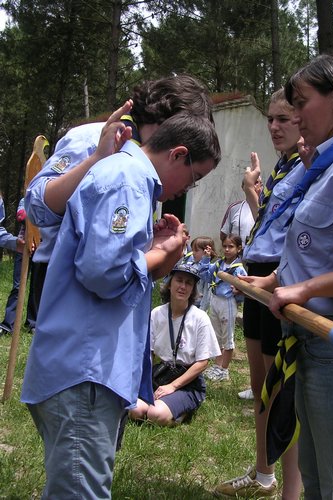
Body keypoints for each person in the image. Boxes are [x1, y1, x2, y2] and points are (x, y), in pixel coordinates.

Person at [20, 112, 221, 498]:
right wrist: (158, 253)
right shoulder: (127, 180)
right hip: (85, 373)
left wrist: (147, 249)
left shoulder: (129, 179)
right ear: (178, 154)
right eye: (194, 177)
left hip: (88, 369)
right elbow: (103, 272)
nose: (187, 187)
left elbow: (102, 259)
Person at [260, 53, 333, 500]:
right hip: (310, 342)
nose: (296, 115)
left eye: (302, 102)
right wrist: (279, 279)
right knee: (312, 470)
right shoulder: (325, 166)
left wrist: (304, 288)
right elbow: (319, 249)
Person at [25, 74, 214, 307]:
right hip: (67, 285)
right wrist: (96, 161)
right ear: (166, 119)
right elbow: (35, 207)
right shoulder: (94, 137)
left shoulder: (150, 168)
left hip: (116, 288)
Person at [214, 88, 305, 499]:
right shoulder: (283, 166)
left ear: (304, 120)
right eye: (270, 118)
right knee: (259, 382)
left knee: (279, 386)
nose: (273, 126)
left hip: (279, 277)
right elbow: (269, 224)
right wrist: (252, 191)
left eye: (283, 119)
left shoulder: (310, 163)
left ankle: (289, 489)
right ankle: (263, 473)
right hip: (256, 272)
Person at [129, 263, 221, 426]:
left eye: (189, 283)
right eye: (179, 280)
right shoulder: (157, 314)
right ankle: (165, 407)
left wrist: (172, 386)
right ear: (170, 284)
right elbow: (148, 353)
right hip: (161, 374)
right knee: (135, 410)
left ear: (193, 290)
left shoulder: (200, 318)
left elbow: (203, 362)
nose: (183, 286)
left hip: (187, 382)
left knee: (155, 414)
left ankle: (182, 412)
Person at [199, 234, 247, 382]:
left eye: (231, 246)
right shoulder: (218, 264)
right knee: (216, 335)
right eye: (225, 246)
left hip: (227, 303)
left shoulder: (239, 269)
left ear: (239, 249)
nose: (227, 249)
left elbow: (245, 290)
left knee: (227, 337)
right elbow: (205, 276)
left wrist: (237, 296)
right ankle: (217, 366)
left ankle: (224, 369)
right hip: (215, 301)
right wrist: (206, 259)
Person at [0, 198, 37, 335]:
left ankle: (32, 323)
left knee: (36, 288)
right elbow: (21, 215)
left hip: (40, 248)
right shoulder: (26, 199)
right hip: (24, 247)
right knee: (18, 286)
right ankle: (8, 324)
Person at [220, 177, 262, 247]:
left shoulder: (266, 206)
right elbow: (224, 234)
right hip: (239, 255)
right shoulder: (234, 208)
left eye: (256, 182)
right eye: (249, 183)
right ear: (243, 187)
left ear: (261, 186)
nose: (252, 185)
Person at [191, 236, 218, 311]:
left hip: (199, 306)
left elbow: (207, 293)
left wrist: (202, 310)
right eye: (192, 250)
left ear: (206, 252)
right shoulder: (191, 265)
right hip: (189, 302)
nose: (193, 253)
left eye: (196, 250)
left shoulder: (209, 270)